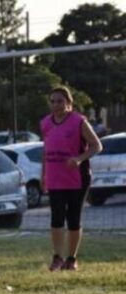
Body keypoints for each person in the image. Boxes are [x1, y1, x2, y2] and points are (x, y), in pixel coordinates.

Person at [41, 86, 102, 271]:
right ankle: (57, 257)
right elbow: (45, 150)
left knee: (73, 218)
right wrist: (43, 174)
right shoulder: (45, 123)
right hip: (55, 177)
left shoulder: (79, 122)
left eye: (60, 101)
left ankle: (71, 258)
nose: (56, 105)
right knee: (56, 217)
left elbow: (97, 145)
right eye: (53, 101)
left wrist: (79, 158)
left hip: (77, 178)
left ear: (68, 103)